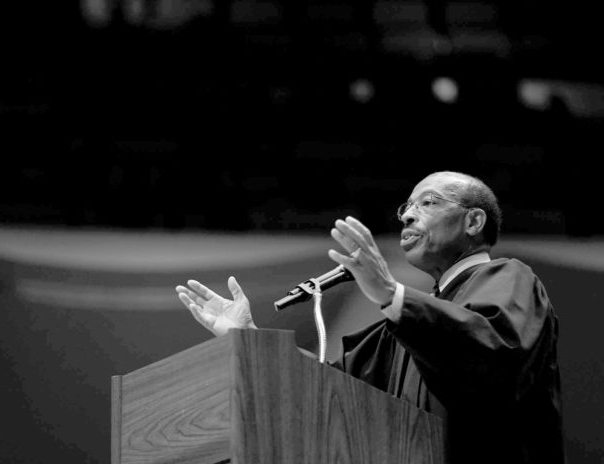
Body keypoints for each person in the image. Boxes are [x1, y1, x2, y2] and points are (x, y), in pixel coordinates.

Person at [175, 171, 564, 464]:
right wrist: (249, 339)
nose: (408, 217)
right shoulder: (405, 324)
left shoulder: (509, 277)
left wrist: (390, 293)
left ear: (474, 222)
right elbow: (332, 389)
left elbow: (494, 355)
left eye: (427, 203)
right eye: (406, 208)